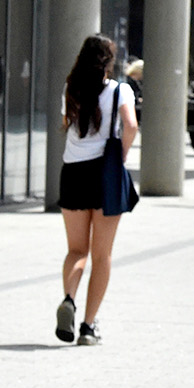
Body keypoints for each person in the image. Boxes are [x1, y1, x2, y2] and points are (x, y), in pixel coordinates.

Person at [56, 34, 136, 347]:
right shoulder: (120, 90)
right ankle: (88, 327)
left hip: (73, 172)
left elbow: (68, 122)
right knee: (102, 255)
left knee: (77, 250)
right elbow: (130, 125)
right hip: (105, 173)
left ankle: (69, 299)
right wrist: (124, 153)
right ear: (108, 62)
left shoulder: (70, 88)